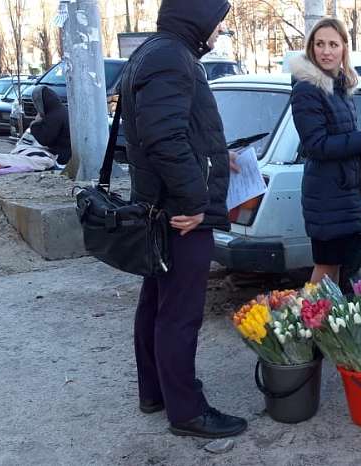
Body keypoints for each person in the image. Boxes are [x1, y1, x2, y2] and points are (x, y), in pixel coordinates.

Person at [118, 0, 247, 438]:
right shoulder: (172, 58)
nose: (218, 32)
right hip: (181, 215)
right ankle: (187, 411)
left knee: (156, 303)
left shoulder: (158, 52)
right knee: (179, 313)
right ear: (198, 18)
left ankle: (156, 393)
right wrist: (194, 200)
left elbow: (175, 130)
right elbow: (163, 136)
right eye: (217, 23)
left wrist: (217, 155)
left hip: (163, 208)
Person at [288, 18, 361, 285]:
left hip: (342, 193)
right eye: (319, 44)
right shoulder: (307, 88)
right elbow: (316, 144)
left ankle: (326, 325)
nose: (326, 51)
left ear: (343, 49)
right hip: (326, 195)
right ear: (311, 49)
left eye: (332, 44)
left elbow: (340, 139)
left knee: (335, 267)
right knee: (325, 266)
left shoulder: (339, 88)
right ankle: (309, 324)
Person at [29, 85, 72, 165]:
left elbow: (44, 139)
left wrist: (35, 124)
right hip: (67, 152)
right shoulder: (61, 109)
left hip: (62, 156)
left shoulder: (53, 116)